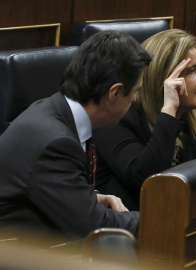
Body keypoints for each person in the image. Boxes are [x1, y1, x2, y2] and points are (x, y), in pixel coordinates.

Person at [0, 30, 152, 244]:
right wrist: (161, 221)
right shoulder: (55, 142)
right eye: (135, 91)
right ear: (115, 93)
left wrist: (91, 197)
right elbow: (94, 226)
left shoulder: (56, 111)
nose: (135, 99)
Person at [93, 29, 196, 210]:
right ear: (164, 80)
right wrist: (169, 111)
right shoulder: (115, 123)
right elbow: (149, 183)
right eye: (192, 70)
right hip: (125, 233)